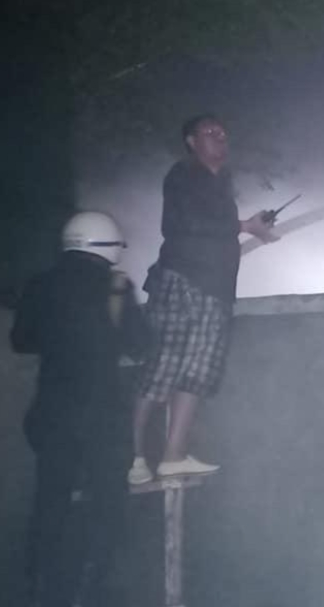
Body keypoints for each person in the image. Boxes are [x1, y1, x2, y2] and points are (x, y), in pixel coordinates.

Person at [11, 211, 149, 607]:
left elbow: (21, 340)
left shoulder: (41, 285)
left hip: (52, 413)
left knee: (50, 501)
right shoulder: (116, 287)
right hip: (102, 417)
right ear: (108, 246)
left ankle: (41, 587)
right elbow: (141, 345)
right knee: (107, 503)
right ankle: (96, 587)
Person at [128, 114, 275, 485]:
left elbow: (218, 231)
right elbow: (180, 226)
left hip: (215, 289)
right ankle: (133, 456)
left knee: (198, 372)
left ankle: (173, 455)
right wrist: (243, 226)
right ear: (191, 142)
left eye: (223, 133)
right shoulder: (184, 175)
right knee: (161, 368)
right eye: (209, 132)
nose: (219, 137)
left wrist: (253, 229)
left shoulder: (221, 181)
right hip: (182, 282)